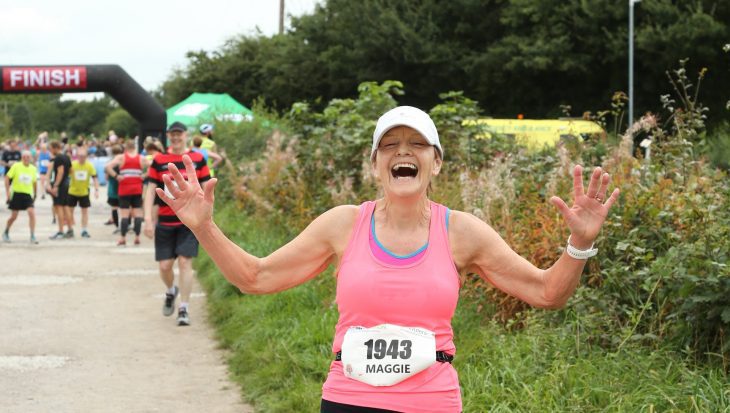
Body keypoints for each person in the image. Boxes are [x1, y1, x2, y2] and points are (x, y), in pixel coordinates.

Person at [155, 106, 621, 412]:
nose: (403, 151)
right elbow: (255, 277)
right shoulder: (342, 224)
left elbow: (547, 292)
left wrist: (578, 244)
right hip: (348, 399)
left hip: (433, 402)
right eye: (391, 144)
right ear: (375, 162)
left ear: (435, 162)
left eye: (416, 144)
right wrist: (202, 226)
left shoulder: (461, 231)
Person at [143, 121, 210, 326]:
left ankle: (184, 308)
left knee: (184, 262)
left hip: (189, 223)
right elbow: (150, 190)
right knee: (165, 266)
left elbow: (207, 188)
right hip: (165, 220)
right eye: (172, 134)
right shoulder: (159, 160)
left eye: (179, 133)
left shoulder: (198, 159)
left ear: (186, 135)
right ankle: (171, 290)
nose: (175, 137)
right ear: (168, 136)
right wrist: (147, 218)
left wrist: (207, 217)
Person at [106, 140, 150, 246]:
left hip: (124, 189)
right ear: (135, 147)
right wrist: (144, 176)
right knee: (137, 214)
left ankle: (123, 238)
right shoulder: (141, 158)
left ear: (125, 148)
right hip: (137, 188)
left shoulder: (121, 157)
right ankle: (137, 237)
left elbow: (108, 167)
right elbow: (152, 167)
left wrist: (116, 176)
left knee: (124, 215)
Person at [3, 151, 39, 244]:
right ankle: (6, 232)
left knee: (31, 213)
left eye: (28, 157)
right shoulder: (16, 166)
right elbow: (7, 178)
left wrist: (35, 194)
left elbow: (35, 182)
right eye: (24, 157)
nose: (26, 158)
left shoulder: (33, 169)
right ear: (21, 158)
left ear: (30, 158)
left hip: (27, 194)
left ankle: (32, 235)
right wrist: (8, 192)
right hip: (16, 194)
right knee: (14, 216)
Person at [67, 148, 99, 238]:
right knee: (70, 211)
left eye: (84, 156)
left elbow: (95, 178)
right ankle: (70, 229)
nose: (82, 158)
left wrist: (96, 190)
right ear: (77, 156)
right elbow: (66, 175)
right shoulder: (72, 165)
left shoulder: (89, 166)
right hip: (72, 191)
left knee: (84, 212)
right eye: (80, 156)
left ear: (86, 157)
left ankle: (84, 230)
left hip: (84, 192)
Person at [47, 140, 73, 240]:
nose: (50, 150)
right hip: (66, 183)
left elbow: (60, 172)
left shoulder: (58, 158)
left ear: (55, 148)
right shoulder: (66, 157)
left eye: (51, 148)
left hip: (61, 185)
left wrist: (56, 185)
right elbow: (70, 171)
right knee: (66, 207)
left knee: (59, 208)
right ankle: (70, 230)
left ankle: (61, 231)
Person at [104, 145, 123, 231]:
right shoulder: (123, 161)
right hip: (123, 187)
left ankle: (117, 226)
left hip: (113, 188)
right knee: (125, 208)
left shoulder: (110, 162)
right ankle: (126, 225)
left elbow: (106, 177)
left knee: (114, 207)